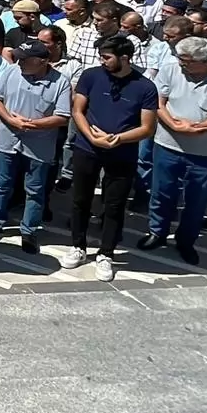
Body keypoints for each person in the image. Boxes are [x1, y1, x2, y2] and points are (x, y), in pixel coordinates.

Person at [61, 35, 157, 282]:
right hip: (86, 148)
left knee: (114, 205)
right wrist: (91, 137)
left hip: (122, 152)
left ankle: (106, 253)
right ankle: (78, 246)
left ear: (124, 58)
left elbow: (147, 128)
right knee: (80, 200)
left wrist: (117, 139)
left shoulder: (145, 87)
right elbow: (77, 110)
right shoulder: (91, 76)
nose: (102, 61)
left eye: (107, 57)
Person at [139, 36, 207, 265]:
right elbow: (158, 102)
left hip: (204, 152)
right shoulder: (170, 70)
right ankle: (157, 232)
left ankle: (186, 241)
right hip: (167, 144)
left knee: (196, 200)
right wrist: (173, 125)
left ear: (203, 61)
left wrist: (201, 127)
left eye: (186, 60)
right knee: (162, 192)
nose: (181, 63)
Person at [0, 38, 71, 253]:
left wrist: (32, 124)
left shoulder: (61, 82)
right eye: (19, 58)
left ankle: (29, 231)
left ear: (42, 61)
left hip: (39, 146)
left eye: (25, 59)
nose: (19, 62)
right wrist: (10, 120)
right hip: (7, 140)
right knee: (1, 185)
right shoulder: (12, 71)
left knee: (35, 190)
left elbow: (62, 117)